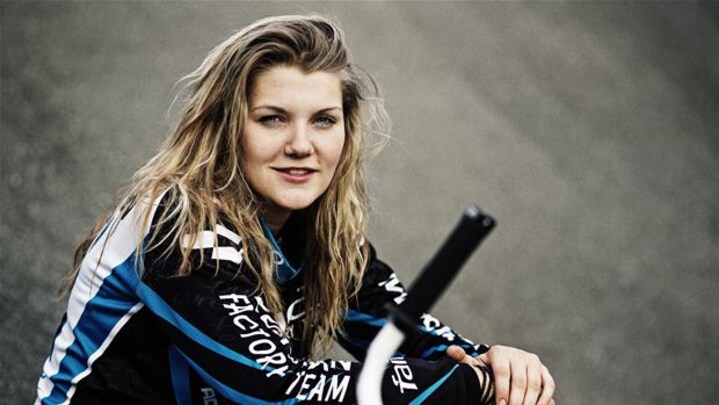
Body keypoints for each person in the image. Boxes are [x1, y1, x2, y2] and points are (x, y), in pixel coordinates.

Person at [36, 15, 555, 405]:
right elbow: (280, 391)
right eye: (273, 119)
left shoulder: (314, 229)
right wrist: (468, 386)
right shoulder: (179, 224)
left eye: (323, 120)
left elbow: (400, 330)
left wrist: (496, 367)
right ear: (228, 127)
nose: (301, 145)